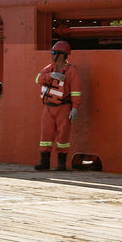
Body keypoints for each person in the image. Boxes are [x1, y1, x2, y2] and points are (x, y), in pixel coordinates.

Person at [34, 40, 82, 171]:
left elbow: (76, 91)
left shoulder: (72, 71)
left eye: (54, 52)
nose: (51, 54)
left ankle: (61, 163)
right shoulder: (49, 69)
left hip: (63, 108)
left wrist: (75, 108)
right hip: (48, 108)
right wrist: (51, 75)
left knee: (63, 135)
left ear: (61, 55)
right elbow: (38, 79)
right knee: (45, 135)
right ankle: (44, 162)